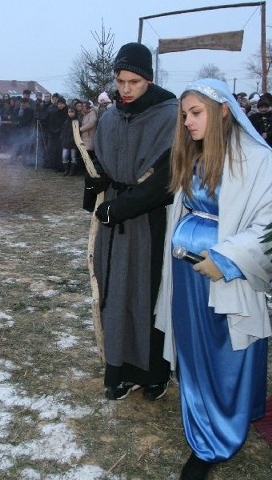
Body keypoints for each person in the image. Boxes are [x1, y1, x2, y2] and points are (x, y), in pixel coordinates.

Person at [154, 78, 272, 480]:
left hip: (227, 276)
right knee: (195, 352)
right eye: (184, 115)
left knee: (226, 351)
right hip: (186, 272)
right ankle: (203, 423)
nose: (188, 122)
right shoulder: (194, 153)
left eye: (196, 114)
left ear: (224, 110)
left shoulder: (259, 162)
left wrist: (226, 258)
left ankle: (218, 439)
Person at [85, 42, 178, 401]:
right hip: (114, 220)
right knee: (115, 291)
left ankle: (154, 372)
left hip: (148, 222)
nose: (125, 89)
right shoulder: (111, 117)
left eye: (134, 82)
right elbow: (107, 165)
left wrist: (123, 207)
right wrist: (97, 182)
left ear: (148, 80)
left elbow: (165, 180)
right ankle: (119, 368)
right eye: (120, 80)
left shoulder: (169, 116)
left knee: (147, 292)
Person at [59, 106, 78, 176]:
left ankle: (72, 172)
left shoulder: (77, 122)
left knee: (73, 157)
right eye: (69, 112)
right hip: (65, 142)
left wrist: (72, 140)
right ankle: (66, 170)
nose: (70, 113)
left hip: (73, 143)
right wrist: (62, 138)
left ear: (75, 113)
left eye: (72, 112)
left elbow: (77, 133)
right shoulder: (66, 121)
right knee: (64, 156)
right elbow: (63, 131)